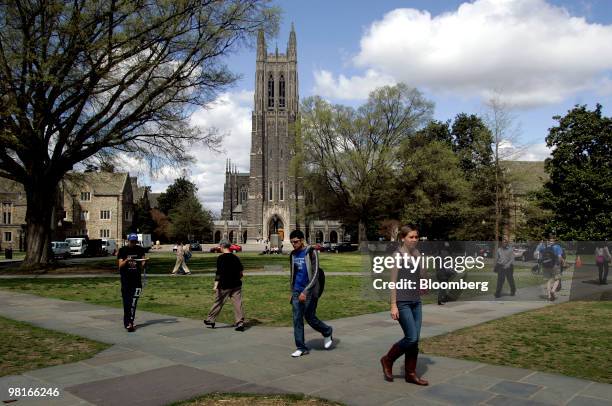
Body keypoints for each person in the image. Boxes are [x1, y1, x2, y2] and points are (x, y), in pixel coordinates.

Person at [380, 225, 429, 385]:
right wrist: (393, 305)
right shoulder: (397, 256)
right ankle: (388, 360)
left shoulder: (417, 254)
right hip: (402, 302)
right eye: (411, 237)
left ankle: (410, 374)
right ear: (403, 238)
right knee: (411, 337)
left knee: (415, 340)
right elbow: (393, 282)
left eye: (416, 237)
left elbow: (422, 276)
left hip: (416, 302)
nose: (414, 240)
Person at [288, 230, 333, 357]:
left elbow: (315, 274)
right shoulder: (292, 254)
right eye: (291, 242)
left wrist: (306, 291)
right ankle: (301, 347)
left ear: (302, 240)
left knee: (310, 317)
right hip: (297, 291)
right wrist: (292, 291)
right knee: (297, 319)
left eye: (296, 242)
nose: (293, 244)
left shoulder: (311, 252)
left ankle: (327, 331)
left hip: (310, 290)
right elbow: (293, 274)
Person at [204, 242, 245, 331]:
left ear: (222, 247)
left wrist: (215, 285)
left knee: (218, 302)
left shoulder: (221, 258)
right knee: (238, 304)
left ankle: (211, 320)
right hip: (236, 285)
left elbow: (218, 273)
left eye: (220, 247)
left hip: (224, 284)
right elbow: (241, 272)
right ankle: (240, 323)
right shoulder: (236, 257)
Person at [117, 233, 147, 332]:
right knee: (127, 302)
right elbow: (120, 265)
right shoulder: (123, 250)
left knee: (133, 302)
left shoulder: (140, 249)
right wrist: (126, 260)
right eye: (131, 241)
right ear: (127, 241)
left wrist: (144, 262)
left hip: (137, 280)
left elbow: (142, 262)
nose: (133, 243)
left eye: (135, 241)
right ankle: (128, 322)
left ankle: (130, 322)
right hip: (126, 280)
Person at [539, 234, 564, 301]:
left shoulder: (543, 247)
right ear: (554, 241)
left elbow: (539, 254)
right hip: (555, 265)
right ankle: (553, 291)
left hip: (545, 265)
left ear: (548, 240)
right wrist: (562, 262)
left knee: (548, 281)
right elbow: (559, 257)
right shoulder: (557, 247)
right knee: (557, 279)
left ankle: (549, 296)